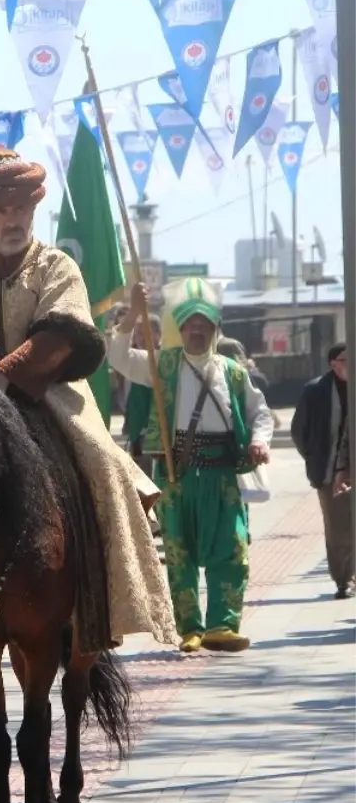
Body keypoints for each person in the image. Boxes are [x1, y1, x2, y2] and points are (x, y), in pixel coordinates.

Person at [0, 149, 176, 678]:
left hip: (47, 399)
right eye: (0, 211)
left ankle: (106, 595)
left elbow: (61, 334)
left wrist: (1, 377)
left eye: (21, 208)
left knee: (104, 467)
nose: (12, 219)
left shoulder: (56, 266)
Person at [110, 279, 274, 653]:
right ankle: (190, 628)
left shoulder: (232, 371)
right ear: (180, 329)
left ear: (215, 331)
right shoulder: (160, 363)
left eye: (204, 325)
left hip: (221, 476)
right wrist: (134, 312)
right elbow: (117, 356)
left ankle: (223, 625)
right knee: (179, 553)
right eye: (190, 325)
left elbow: (259, 411)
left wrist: (259, 441)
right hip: (175, 475)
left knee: (231, 548)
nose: (197, 330)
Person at [292, 343, 352, 598]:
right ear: (333, 363)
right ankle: (343, 580)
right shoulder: (316, 390)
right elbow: (299, 430)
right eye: (345, 359)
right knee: (338, 528)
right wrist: (313, 457)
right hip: (328, 471)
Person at [120, 315, 163, 476]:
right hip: (135, 433)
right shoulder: (133, 361)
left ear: (158, 334)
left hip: (152, 436)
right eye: (138, 334)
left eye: (146, 333)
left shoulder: (163, 363)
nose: (141, 338)